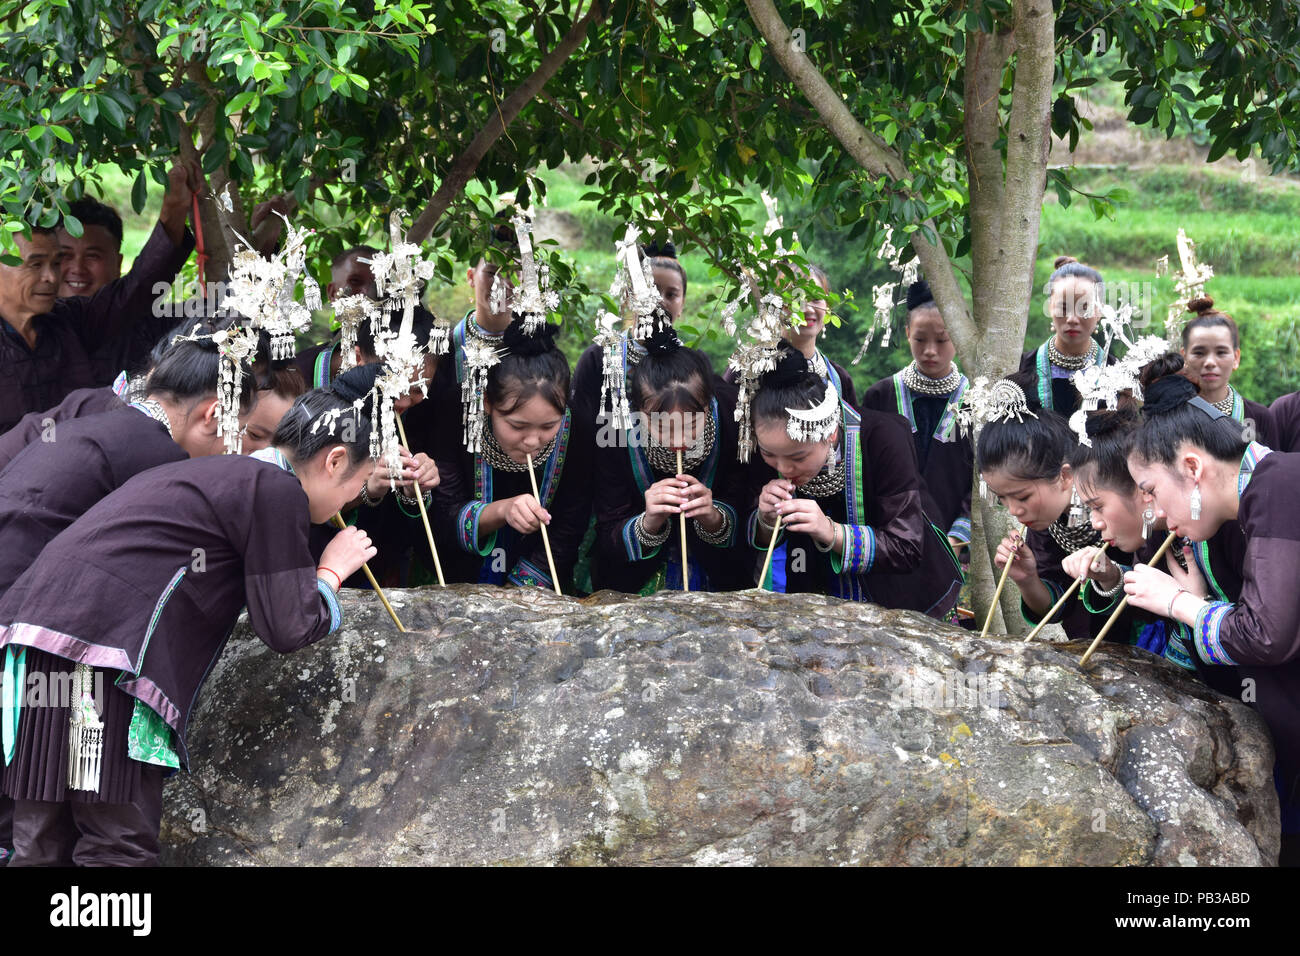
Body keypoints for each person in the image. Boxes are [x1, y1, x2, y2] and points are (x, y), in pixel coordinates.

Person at [0, 388, 377, 866]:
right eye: (359, 483)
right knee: (117, 843)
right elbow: (287, 625)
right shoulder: (275, 488)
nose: (355, 498)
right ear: (335, 459)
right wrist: (330, 572)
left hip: (37, 641)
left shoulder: (213, 471)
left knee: (41, 839)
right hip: (104, 658)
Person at [1122, 362, 1300, 863]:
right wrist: (1198, 605)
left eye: (1152, 490)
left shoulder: (1278, 484)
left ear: (1194, 468)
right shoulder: (1257, 501)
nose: (1152, 512)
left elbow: (1267, 635)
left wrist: (1180, 603)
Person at [747, 344, 962, 617]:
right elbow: (752, 532)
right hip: (810, 600)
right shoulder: (762, 446)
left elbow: (906, 546)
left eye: (798, 457)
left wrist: (830, 531)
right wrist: (766, 519)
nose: (784, 467)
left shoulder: (886, 438)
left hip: (899, 604)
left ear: (831, 434)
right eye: (769, 454)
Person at [0, 160, 200, 432]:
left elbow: (136, 291)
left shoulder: (68, 320)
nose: (51, 277)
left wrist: (174, 211)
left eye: (55, 263)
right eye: (35, 264)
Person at [431, 316, 590, 591]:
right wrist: (503, 510)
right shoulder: (455, 416)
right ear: (488, 403)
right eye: (517, 426)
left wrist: (522, 591)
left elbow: (569, 525)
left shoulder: (577, 429)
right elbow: (443, 515)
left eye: (549, 426)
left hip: (538, 587)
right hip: (457, 580)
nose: (531, 441)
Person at [593, 325, 748, 593]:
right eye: (663, 427)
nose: (679, 441)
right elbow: (606, 526)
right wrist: (647, 522)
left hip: (720, 580)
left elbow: (747, 500)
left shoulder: (731, 416)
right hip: (635, 584)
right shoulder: (615, 434)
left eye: (691, 425)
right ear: (639, 412)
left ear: (708, 404)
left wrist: (714, 517)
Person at [1060, 405, 1196, 665]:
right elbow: (1149, 611)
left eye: (1098, 507)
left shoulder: (1205, 529)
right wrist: (1111, 576)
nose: (1095, 524)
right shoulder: (1151, 539)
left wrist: (1191, 604)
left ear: (1141, 487)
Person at [982, 373, 1108, 640]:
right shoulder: (1047, 522)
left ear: (1064, 476)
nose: (1014, 510)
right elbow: (1057, 607)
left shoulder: (1114, 505)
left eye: (1023, 497)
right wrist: (1027, 579)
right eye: (1002, 499)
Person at [861, 279, 972, 551]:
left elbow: (986, 476)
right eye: (920, 339)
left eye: (942, 339)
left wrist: (959, 535)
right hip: (892, 542)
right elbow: (867, 474)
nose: (930, 350)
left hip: (956, 546)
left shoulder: (974, 399)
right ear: (908, 332)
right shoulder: (880, 396)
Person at [1019, 256, 1109, 414]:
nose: (1072, 319)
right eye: (1063, 307)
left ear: (1099, 310)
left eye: (1084, 307)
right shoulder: (1022, 369)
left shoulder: (1116, 374)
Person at [1179, 296, 1273, 447]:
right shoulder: (1170, 417)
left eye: (1221, 352)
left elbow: (1274, 469)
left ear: (1236, 358)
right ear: (1184, 357)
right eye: (1199, 353)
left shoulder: (1259, 417)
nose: (1210, 362)